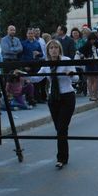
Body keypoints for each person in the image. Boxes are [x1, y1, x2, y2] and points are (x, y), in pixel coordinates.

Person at [27, 39, 78, 168]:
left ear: (59, 49)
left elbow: (76, 77)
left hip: (67, 97)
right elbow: (36, 78)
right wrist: (24, 76)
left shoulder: (66, 60)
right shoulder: (46, 64)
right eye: (51, 48)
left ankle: (61, 158)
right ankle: (63, 155)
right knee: (59, 129)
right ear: (48, 50)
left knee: (61, 128)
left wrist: (71, 74)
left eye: (56, 47)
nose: (54, 50)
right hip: (53, 99)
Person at [79, 32, 98, 101]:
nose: (93, 41)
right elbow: (79, 52)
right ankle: (92, 95)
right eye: (92, 39)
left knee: (97, 79)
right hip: (89, 63)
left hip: (96, 62)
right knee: (91, 80)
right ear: (89, 39)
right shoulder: (86, 45)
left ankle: (96, 95)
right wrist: (84, 57)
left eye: (94, 39)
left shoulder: (97, 44)